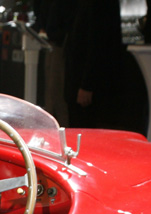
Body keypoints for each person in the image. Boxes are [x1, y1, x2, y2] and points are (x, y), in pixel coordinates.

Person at [63, 0, 123, 129]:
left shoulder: (98, 5)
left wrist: (87, 85)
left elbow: (97, 44)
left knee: (84, 127)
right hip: (81, 80)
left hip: (88, 85)